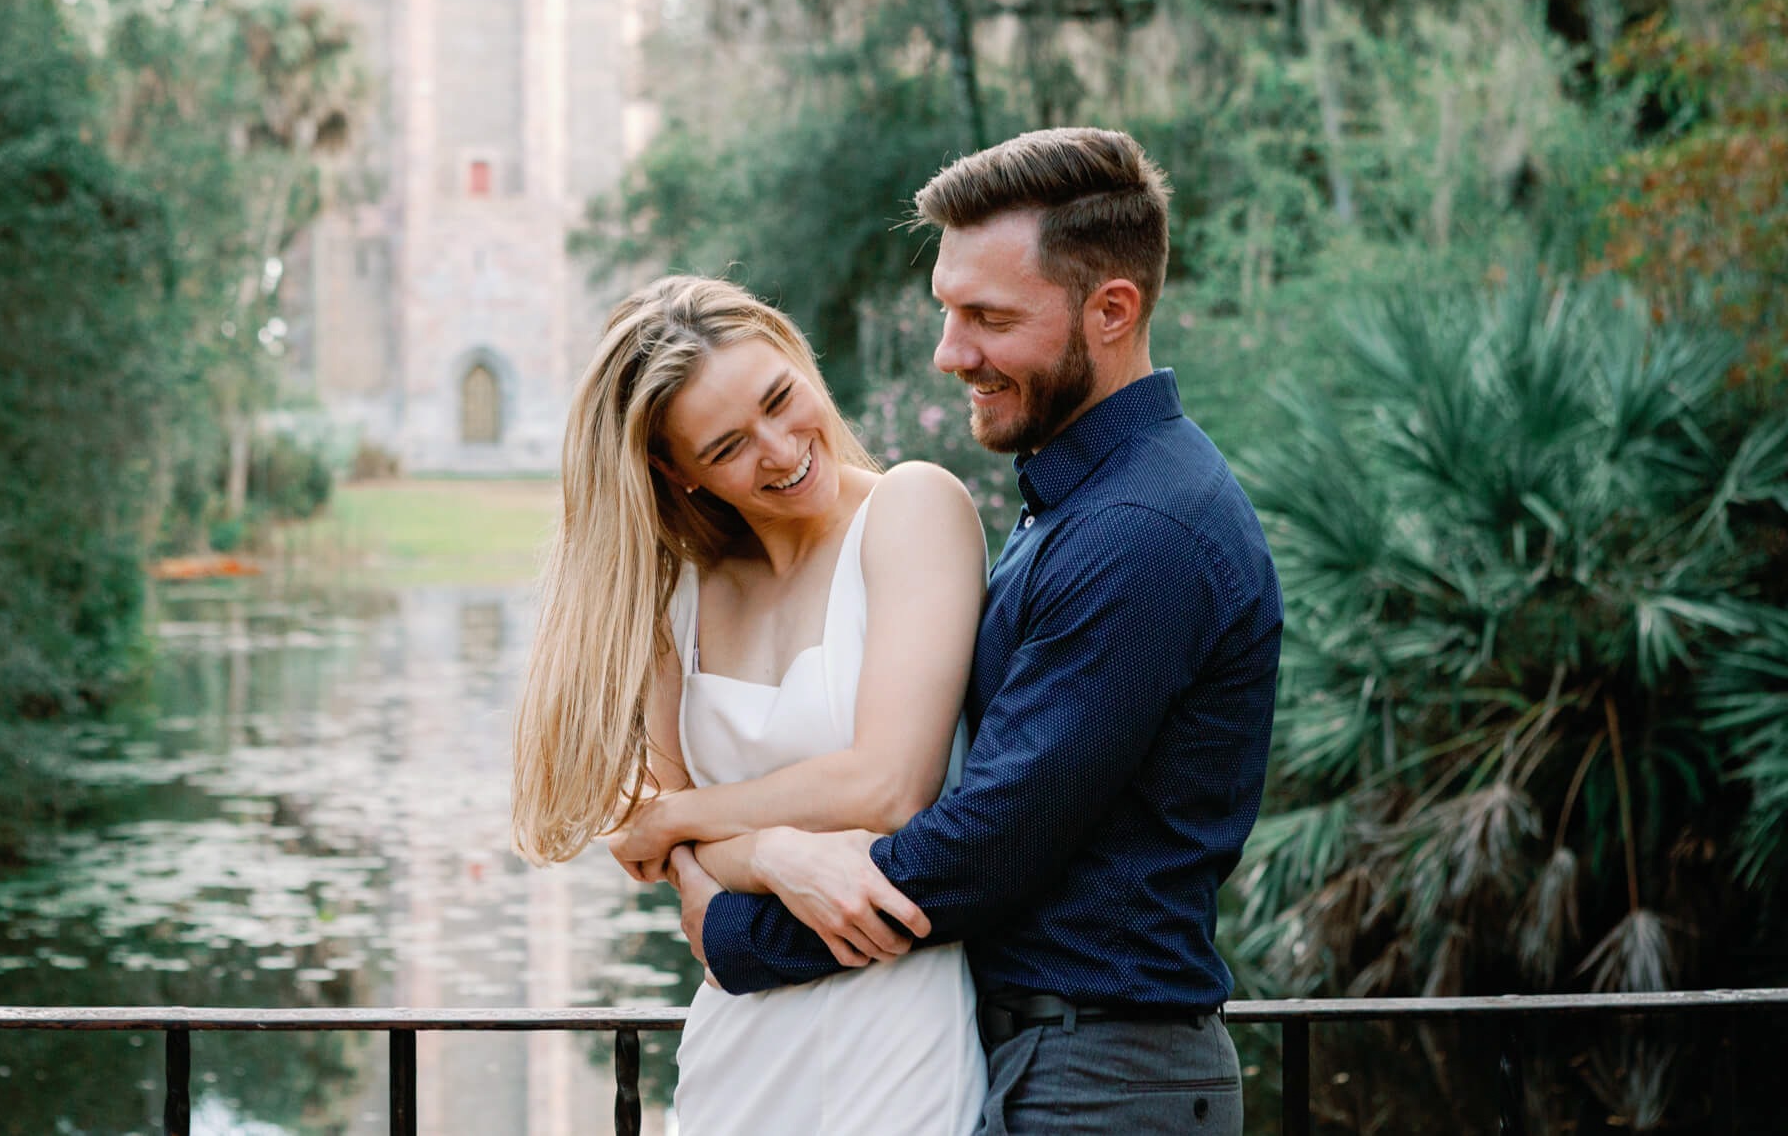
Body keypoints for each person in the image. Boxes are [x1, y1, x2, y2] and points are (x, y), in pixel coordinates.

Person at [665, 127, 1285, 1136]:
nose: (951, 354)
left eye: (987, 319)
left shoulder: (1140, 532)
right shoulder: (1078, 506)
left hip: (1101, 1079)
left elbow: (983, 847)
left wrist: (738, 934)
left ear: (1111, 311)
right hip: (1039, 1057)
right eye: (948, 312)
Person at [511, 275, 991, 1133]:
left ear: (797, 356)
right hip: (739, 1036)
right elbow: (644, 833)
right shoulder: (680, 598)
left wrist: (689, 825)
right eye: (729, 446)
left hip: (894, 1019)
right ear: (676, 470)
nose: (780, 448)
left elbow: (888, 787)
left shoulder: (913, 509)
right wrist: (770, 854)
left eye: (780, 398)